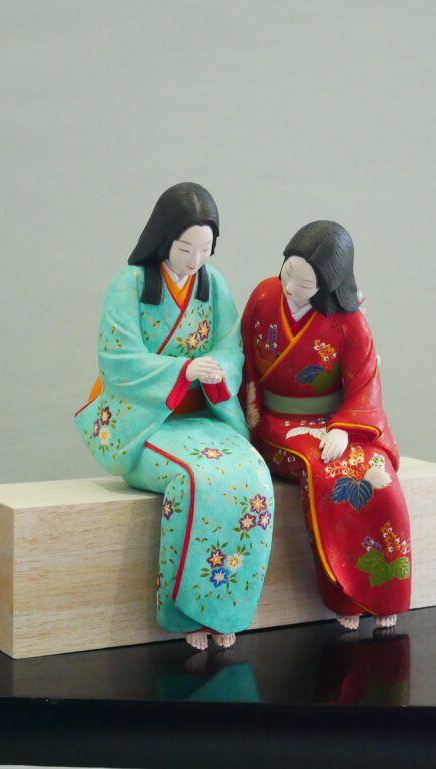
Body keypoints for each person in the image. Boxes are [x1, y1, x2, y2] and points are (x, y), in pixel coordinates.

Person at [75, 182, 274, 650]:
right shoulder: (129, 284)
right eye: (186, 248)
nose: (195, 260)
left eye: (206, 249)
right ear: (163, 238)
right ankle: (184, 613)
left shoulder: (213, 284)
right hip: (145, 423)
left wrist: (215, 369)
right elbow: (118, 360)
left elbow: (231, 348)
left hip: (202, 417)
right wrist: (183, 370)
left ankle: (226, 610)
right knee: (195, 479)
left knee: (252, 472)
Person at [241, 220, 411, 630]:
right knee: (326, 472)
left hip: (338, 423)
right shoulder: (263, 296)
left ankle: (385, 593)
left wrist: (342, 428)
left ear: (330, 283)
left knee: (377, 477)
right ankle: (345, 598)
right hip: (278, 422)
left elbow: (365, 383)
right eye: (287, 273)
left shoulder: (349, 320)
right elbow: (243, 357)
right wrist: (249, 415)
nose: (290, 288)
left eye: (304, 283)